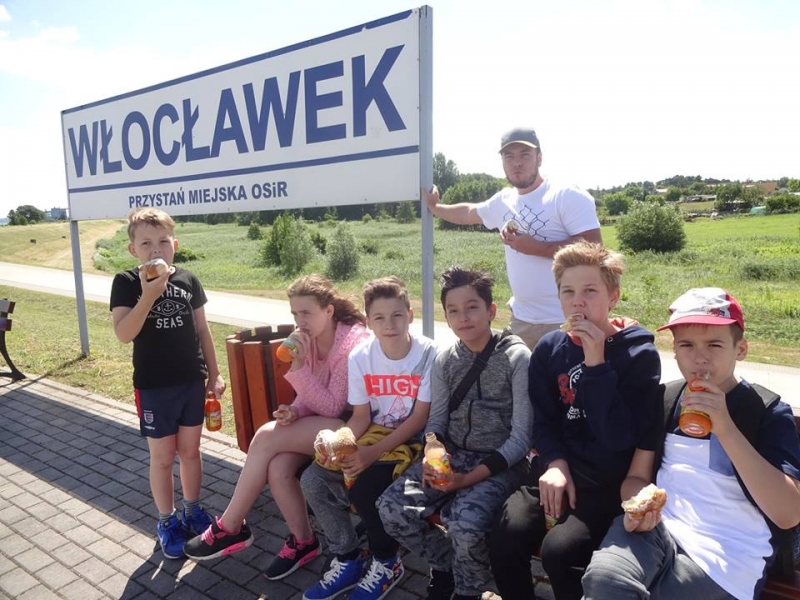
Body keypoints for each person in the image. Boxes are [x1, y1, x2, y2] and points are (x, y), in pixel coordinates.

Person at [582, 287, 800, 600]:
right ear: (674, 350)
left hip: (729, 555)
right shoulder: (667, 399)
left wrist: (725, 428)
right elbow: (637, 478)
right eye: (686, 345)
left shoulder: (766, 411)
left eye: (714, 344)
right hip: (658, 529)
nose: (699, 358)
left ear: (740, 349)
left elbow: (788, 513)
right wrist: (637, 508)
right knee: (605, 579)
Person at [488, 241, 661, 600]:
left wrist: (596, 363)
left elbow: (619, 438)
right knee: (506, 532)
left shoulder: (638, 355)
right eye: (568, 292)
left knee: (560, 552)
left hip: (606, 483)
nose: (577, 302)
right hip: (557, 470)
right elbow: (543, 420)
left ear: (613, 297)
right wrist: (555, 463)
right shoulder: (550, 349)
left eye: (589, 291)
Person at [184, 274, 370, 580]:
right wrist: (294, 411)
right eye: (295, 314)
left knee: (265, 437)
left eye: (306, 313)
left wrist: (298, 368)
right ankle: (304, 542)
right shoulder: (311, 339)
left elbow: (334, 405)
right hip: (326, 423)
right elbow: (312, 396)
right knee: (278, 467)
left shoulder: (352, 343)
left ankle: (230, 526)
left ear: (329, 310)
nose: (300, 322)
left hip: (353, 427)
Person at [377, 267, 533, 600]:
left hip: (501, 463)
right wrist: (432, 452)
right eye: (453, 310)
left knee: (465, 525)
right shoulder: (445, 359)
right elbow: (435, 421)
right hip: (453, 455)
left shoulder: (517, 358)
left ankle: (469, 590)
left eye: (472, 307)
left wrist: (466, 480)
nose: (463, 317)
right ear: (446, 317)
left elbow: (521, 439)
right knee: (391, 508)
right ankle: (448, 566)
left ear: (491, 310)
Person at [300, 276, 438, 600]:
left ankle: (387, 563)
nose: (389, 324)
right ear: (368, 321)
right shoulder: (361, 356)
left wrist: (372, 453)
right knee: (313, 480)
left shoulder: (428, 353)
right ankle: (348, 557)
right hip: (374, 435)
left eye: (397, 315)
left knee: (364, 488)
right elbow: (361, 417)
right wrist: (339, 441)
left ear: (410, 315)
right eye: (379, 317)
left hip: (412, 442)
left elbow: (419, 418)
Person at [110, 207, 226, 559]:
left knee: (191, 452)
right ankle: (166, 520)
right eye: (146, 243)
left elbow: (203, 330)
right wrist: (149, 294)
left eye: (163, 241)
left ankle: (192, 509)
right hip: (154, 386)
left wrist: (215, 374)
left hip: (191, 381)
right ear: (133, 249)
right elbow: (123, 334)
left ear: (175, 244)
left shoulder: (189, 280)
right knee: (162, 458)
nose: (155, 249)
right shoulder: (126, 283)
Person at [424, 126, 602, 349]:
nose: (517, 163)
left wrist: (536, 248)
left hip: (568, 319)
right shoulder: (503, 200)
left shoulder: (565, 195)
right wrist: (435, 207)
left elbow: (594, 248)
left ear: (539, 158)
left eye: (524, 155)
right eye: (509, 156)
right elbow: (469, 212)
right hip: (522, 321)